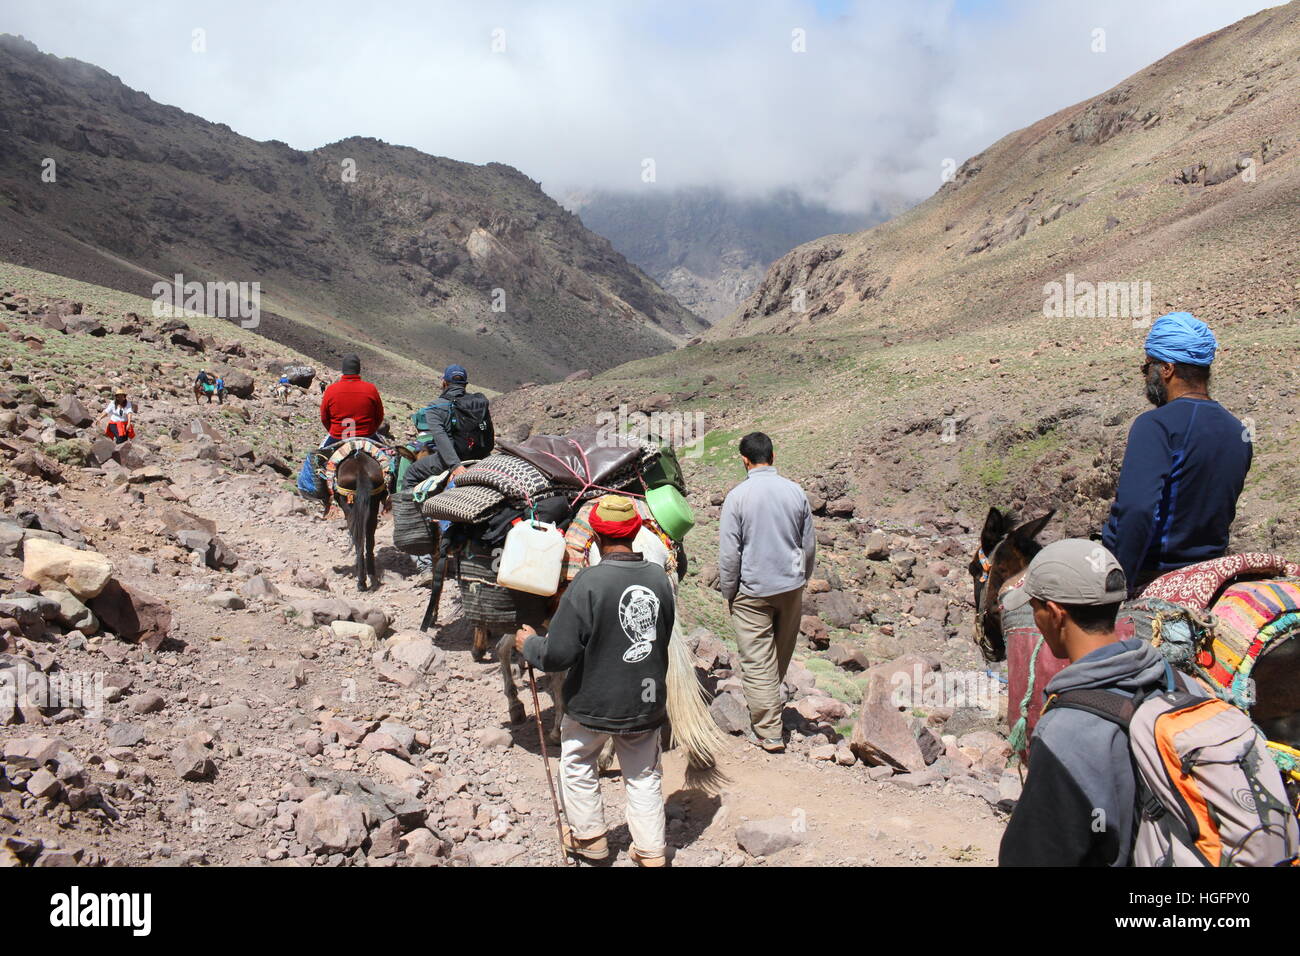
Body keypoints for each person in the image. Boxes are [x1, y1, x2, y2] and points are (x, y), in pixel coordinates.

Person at [998, 539, 1188, 866]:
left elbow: (1032, 854)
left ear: (1055, 614)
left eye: (1034, 608)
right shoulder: (1184, 685)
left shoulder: (1066, 730)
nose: (1035, 619)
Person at [514, 495, 674, 867]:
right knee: (644, 772)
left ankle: (590, 840)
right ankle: (651, 850)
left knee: (578, 760)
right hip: (644, 697)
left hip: (592, 699)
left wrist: (530, 645)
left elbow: (559, 654)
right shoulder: (658, 579)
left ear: (596, 535)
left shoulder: (587, 582)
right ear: (636, 531)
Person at [1102, 312, 1251, 594]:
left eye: (1147, 367)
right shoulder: (1238, 430)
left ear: (1167, 369)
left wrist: (1119, 587)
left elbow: (1137, 511)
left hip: (1154, 571)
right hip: (1211, 572)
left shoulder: (1155, 424)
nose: (1145, 376)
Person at [717, 432, 815, 753]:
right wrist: (801, 578)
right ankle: (770, 709)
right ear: (772, 456)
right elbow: (808, 545)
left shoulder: (737, 497)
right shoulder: (795, 492)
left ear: (744, 460)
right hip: (790, 586)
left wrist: (729, 591)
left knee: (757, 660)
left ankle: (769, 731)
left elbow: (730, 554)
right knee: (780, 653)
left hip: (752, 590)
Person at [296, 354, 386, 498]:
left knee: (315, 459)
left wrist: (334, 431)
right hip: (367, 435)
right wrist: (370, 429)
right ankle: (393, 494)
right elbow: (379, 416)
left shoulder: (331, 390)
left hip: (338, 435)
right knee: (391, 460)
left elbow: (325, 418)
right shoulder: (370, 389)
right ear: (358, 370)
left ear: (343, 370)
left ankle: (316, 493)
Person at [413, 364, 493, 478]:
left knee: (412, 472)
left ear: (444, 383)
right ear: (465, 385)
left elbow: (441, 437)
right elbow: (488, 432)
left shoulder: (434, 407)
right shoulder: (478, 403)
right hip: (482, 457)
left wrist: (455, 465)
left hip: (456, 460)